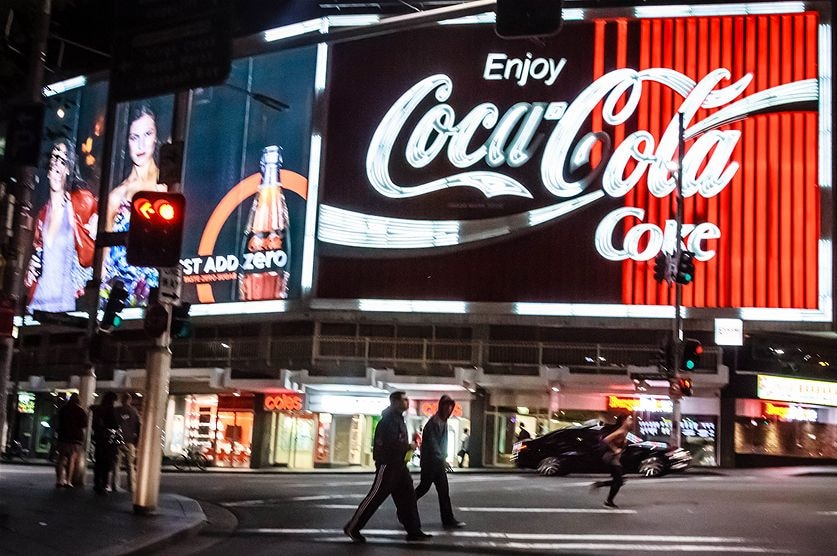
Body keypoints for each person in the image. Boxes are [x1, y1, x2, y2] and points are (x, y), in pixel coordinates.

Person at [344, 391, 431, 543]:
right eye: (404, 400)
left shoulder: (398, 419)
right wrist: (408, 446)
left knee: (408, 498)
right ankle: (353, 527)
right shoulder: (388, 421)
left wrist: (407, 448)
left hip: (400, 465)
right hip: (388, 465)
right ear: (395, 402)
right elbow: (391, 443)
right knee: (375, 497)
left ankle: (414, 531)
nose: (407, 402)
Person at [102, 102, 165, 307]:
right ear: (126, 141)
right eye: (134, 137)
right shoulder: (116, 197)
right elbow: (103, 260)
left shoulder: (165, 187)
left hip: (153, 294)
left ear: (156, 137)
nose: (141, 145)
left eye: (147, 134)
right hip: (117, 295)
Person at [25, 138, 97, 314]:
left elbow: (91, 254)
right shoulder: (42, 215)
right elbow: (38, 257)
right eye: (54, 158)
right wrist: (31, 270)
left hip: (66, 305)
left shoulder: (81, 203)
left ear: (69, 170)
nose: (57, 164)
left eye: (63, 160)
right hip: (39, 303)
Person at [415, 395, 465, 529]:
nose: (449, 409)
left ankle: (448, 519)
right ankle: (405, 508)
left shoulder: (443, 422)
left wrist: (443, 459)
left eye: (450, 406)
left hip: (437, 463)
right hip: (430, 464)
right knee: (423, 488)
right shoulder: (433, 423)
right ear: (441, 407)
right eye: (446, 406)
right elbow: (433, 445)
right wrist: (443, 459)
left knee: (443, 492)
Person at [591, 415, 634, 508]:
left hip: (614, 458)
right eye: (629, 419)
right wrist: (615, 450)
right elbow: (606, 440)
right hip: (610, 457)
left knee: (619, 481)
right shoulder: (621, 431)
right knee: (618, 481)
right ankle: (608, 501)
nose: (632, 421)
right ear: (624, 421)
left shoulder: (625, 432)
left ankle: (600, 484)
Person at [54, 393, 88, 488]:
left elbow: (57, 422)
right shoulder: (80, 410)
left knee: (60, 459)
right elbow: (84, 424)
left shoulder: (63, 409)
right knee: (71, 460)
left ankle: (59, 480)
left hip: (63, 437)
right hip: (75, 439)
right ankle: (68, 481)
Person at [91, 392, 121, 494]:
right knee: (106, 463)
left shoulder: (97, 410)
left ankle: (97, 483)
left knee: (98, 462)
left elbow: (94, 425)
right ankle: (104, 484)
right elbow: (114, 425)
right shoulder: (110, 410)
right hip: (108, 440)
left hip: (99, 439)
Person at [113, 393, 141, 492]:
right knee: (130, 465)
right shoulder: (134, 412)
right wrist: (137, 441)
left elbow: (112, 425)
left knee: (116, 464)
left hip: (117, 440)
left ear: (121, 400)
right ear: (130, 400)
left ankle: (115, 485)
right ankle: (131, 487)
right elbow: (138, 427)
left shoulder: (116, 411)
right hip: (130, 441)